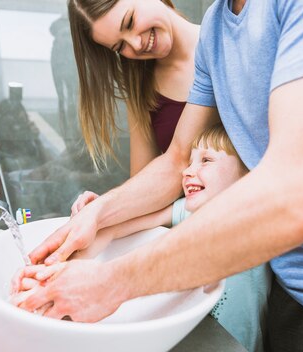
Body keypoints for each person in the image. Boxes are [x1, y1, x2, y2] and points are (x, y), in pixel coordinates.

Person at [17, 0, 303, 350]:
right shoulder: (218, 27)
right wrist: (97, 217)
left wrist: (113, 282)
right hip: (291, 274)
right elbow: (175, 161)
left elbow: (302, 194)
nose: (133, 44)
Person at [13, 124, 271, 352]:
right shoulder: (186, 212)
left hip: (237, 343)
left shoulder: (260, 221)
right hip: (198, 334)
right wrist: (97, 212)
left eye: (206, 160)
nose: (188, 172)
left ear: (247, 173)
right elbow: (124, 226)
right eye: (189, 162)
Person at [68, 0, 200, 174]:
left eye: (129, 22)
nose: (137, 45)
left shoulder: (230, 46)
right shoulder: (141, 89)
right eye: (120, 46)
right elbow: (143, 179)